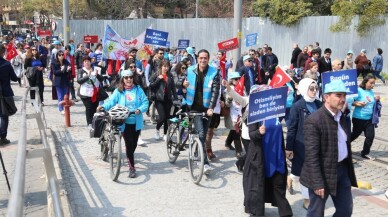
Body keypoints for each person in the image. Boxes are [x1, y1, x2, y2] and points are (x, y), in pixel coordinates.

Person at [300, 79, 357, 217]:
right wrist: (317, 182)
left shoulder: (342, 116)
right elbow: (311, 156)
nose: (342, 99)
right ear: (326, 97)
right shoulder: (314, 120)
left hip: (342, 171)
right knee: (316, 213)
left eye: (344, 96)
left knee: (345, 211)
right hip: (321, 174)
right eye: (338, 95)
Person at [244, 85, 293, 217]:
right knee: (259, 186)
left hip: (276, 155)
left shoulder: (276, 111)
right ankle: (257, 212)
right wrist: (259, 132)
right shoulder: (254, 113)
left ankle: (286, 213)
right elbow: (252, 134)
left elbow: (289, 105)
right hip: (261, 156)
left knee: (278, 184)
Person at [98, 69, 149, 178]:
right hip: (123, 122)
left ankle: (129, 156)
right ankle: (132, 168)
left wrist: (140, 109)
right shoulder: (119, 91)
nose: (129, 79)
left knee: (134, 144)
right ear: (122, 79)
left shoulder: (138, 89)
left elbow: (145, 102)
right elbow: (111, 101)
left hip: (136, 121)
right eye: (126, 78)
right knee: (129, 144)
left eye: (130, 77)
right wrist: (103, 106)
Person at [286, 78, 322, 209]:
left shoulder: (319, 104)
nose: (314, 91)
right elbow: (292, 128)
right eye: (311, 88)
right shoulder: (297, 106)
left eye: (316, 88)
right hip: (301, 144)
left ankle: (291, 178)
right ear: (303, 89)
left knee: (309, 171)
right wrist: (289, 147)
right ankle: (306, 199)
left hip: (317, 144)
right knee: (304, 172)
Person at [182, 49, 220, 175]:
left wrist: (211, 107)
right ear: (197, 58)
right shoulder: (189, 70)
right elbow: (177, 80)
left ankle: (198, 153)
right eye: (201, 58)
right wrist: (183, 84)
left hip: (206, 108)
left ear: (208, 59)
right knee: (202, 134)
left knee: (201, 134)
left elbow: (215, 91)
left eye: (205, 58)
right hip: (192, 106)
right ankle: (205, 164)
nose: (203, 60)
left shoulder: (214, 72)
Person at [351, 74, 381, 160]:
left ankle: (365, 153)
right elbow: (351, 102)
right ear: (365, 82)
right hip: (358, 118)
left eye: (374, 83)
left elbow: (370, 100)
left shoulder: (371, 92)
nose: (373, 85)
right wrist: (358, 103)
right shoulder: (358, 90)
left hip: (369, 119)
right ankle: (343, 145)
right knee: (355, 134)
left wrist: (376, 99)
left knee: (370, 136)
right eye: (371, 83)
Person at [149, 59, 177, 141]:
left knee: (168, 117)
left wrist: (175, 98)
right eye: (164, 66)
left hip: (168, 99)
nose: (166, 68)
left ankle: (165, 134)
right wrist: (158, 79)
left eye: (167, 66)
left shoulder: (170, 75)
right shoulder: (156, 74)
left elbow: (173, 88)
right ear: (161, 66)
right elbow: (151, 86)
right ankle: (157, 130)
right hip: (159, 99)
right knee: (162, 117)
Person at [77, 56, 104, 127]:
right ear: (83, 63)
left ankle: (93, 121)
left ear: (90, 62)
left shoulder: (96, 69)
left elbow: (102, 79)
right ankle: (89, 123)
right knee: (89, 108)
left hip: (95, 93)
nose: (87, 63)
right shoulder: (81, 70)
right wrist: (87, 76)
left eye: (88, 61)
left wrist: (97, 75)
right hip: (85, 93)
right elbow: (79, 81)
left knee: (94, 108)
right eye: (85, 61)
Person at [0, 44, 18, 145]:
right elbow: (14, 78)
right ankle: (2, 137)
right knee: (4, 116)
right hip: (6, 93)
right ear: (3, 53)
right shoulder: (6, 64)